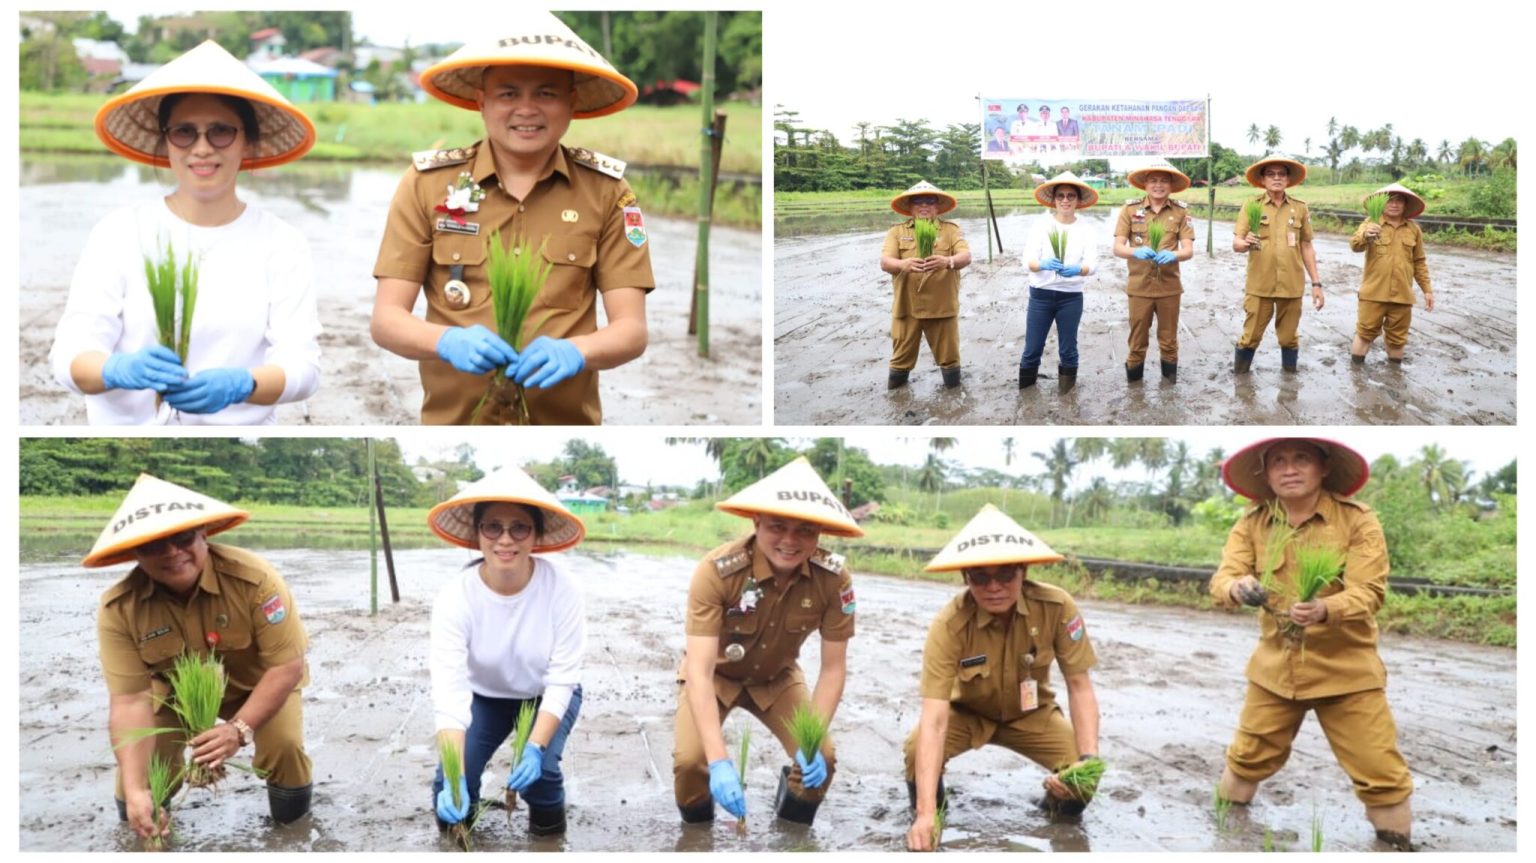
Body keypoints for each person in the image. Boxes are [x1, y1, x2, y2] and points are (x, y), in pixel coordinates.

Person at [371, 11, 654, 425]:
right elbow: (386, 320)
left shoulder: (608, 192)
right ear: (481, 102)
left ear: (571, 103)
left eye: (546, 93)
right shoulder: (427, 185)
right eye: (507, 94)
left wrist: (577, 351)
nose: (526, 110)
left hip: (563, 424)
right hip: (455, 425)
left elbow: (632, 329)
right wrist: (447, 340)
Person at [49, 40, 322, 425]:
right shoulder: (121, 232)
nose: (202, 148)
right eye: (184, 132)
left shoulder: (282, 243)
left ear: (247, 140)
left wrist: (244, 383)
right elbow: (69, 356)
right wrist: (114, 369)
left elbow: (303, 367)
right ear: (165, 140)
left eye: (221, 131)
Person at [1209, 438, 1414, 850]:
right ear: (1266, 474)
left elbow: (1370, 592)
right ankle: (1224, 839)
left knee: (1381, 773)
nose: (1289, 469)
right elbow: (1222, 579)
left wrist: (1326, 609)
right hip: (1275, 670)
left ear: (1323, 467)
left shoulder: (1358, 520)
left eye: (1301, 458)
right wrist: (1237, 586)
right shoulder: (1253, 522)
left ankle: (1397, 845)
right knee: (1246, 758)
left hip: (1347, 671)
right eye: (1278, 461)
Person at [89, 473, 312, 840]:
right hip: (174, 696)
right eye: (153, 544)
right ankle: (144, 828)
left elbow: (287, 665)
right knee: (143, 775)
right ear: (135, 553)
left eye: (182, 537)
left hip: (257, 685)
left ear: (203, 534)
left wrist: (237, 730)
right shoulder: (120, 608)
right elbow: (130, 701)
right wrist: (133, 790)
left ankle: (292, 833)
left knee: (284, 747)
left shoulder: (255, 581)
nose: (172, 552)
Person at [673, 457, 861, 827]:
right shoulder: (717, 572)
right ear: (756, 521)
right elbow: (698, 668)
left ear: (820, 532)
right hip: (716, 677)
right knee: (691, 762)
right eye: (777, 526)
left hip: (778, 677)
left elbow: (834, 668)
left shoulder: (834, 579)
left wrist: (812, 737)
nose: (790, 541)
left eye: (805, 530)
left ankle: (791, 828)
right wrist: (719, 761)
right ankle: (697, 829)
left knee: (821, 756)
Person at [904, 504, 1102, 852]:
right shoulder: (949, 625)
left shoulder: (1056, 608)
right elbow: (934, 719)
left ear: (1022, 571)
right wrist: (924, 814)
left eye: (1005, 575)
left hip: (1032, 715)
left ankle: (1055, 810)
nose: (993, 587)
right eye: (980, 577)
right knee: (915, 747)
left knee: (1083, 778)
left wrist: (1087, 760)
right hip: (966, 714)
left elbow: (1079, 686)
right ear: (965, 577)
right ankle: (931, 813)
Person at [425, 466, 588, 836]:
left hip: (545, 694)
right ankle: (460, 835)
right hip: (485, 697)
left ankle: (549, 838)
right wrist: (453, 775)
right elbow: (449, 694)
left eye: (519, 528)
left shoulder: (563, 588)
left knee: (540, 775)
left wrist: (533, 746)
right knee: (450, 784)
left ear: (536, 536)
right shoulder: (455, 597)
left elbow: (563, 678)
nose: (505, 539)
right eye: (493, 527)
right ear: (477, 534)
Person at [1231, 157, 1324, 374]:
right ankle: (1240, 378)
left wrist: (1316, 283)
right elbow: (1237, 242)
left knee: (1289, 337)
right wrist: (1244, 244)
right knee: (1250, 336)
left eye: (1281, 174)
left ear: (1288, 179)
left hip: (1291, 284)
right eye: (1271, 174)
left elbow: (1307, 247)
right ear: (1262, 179)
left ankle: (1289, 379)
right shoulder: (1251, 205)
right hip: (1259, 284)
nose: (1276, 178)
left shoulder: (1300, 208)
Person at [879, 181, 973, 390]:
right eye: (918, 201)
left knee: (949, 359)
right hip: (907, 307)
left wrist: (947, 262)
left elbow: (965, 256)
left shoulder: (950, 230)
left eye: (930, 201)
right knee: (900, 360)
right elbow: (886, 262)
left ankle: (954, 396)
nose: (924, 206)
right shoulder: (897, 232)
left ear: (937, 206)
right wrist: (903, 264)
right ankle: (896, 393)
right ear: (909, 206)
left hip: (942, 307)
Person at [1112, 161, 1196, 382]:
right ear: (1145, 184)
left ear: (1170, 185)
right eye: (1153, 180)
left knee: (1169, 341)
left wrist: (1174, 254)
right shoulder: (1130, 210)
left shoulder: (1180, 211)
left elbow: (1188, 250)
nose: (1158, 185)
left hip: (1169, 288)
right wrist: (1134, 251)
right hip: (1139, 288)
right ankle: (1135, 389)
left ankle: (1169, 389)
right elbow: (1118, 247)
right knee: (1137, 342)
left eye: (1163, 180)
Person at [1020, 172, 1099, 391]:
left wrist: (1078, 270)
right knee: (1032, 348)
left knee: (1068, 349)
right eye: (1061, 196)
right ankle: (1026, 395)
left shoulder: (1086, 229)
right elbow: (1026, 261)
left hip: (1071, 297)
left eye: (1071, 196)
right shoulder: (1041, 226)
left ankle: (1067, 396)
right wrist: (1042, 264)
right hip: (1041, 296)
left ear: (1078, 200)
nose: (1065, 200)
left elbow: (1093, 265)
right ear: (1054, 199)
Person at [1349, 183, 1433, 364]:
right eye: (1389, 201)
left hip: (1402, 295)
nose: (1394, 205)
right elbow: (1355, 245)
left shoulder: (1413, 229)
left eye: (1399, 201)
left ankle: (1395, 376)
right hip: (1373, 293)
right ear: (1382, 204)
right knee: (1365, 333)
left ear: (1405, 204)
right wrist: (1366, 236)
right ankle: (1355, 375)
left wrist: (1427, 289)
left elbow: (1419, 261)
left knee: (1397, 339)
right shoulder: (1370, 224)